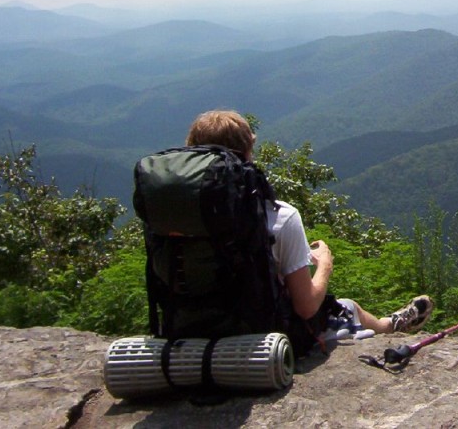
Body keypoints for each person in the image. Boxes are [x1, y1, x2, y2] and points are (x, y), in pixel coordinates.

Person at [184, 109, 433, 342]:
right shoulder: (279, 216)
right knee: (346, 307)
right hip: (267, 339)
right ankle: (391, 327)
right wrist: (324, 265)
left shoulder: (171, 217)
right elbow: (306, 307)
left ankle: (389, 325)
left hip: (192, 336)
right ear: (248, 151)